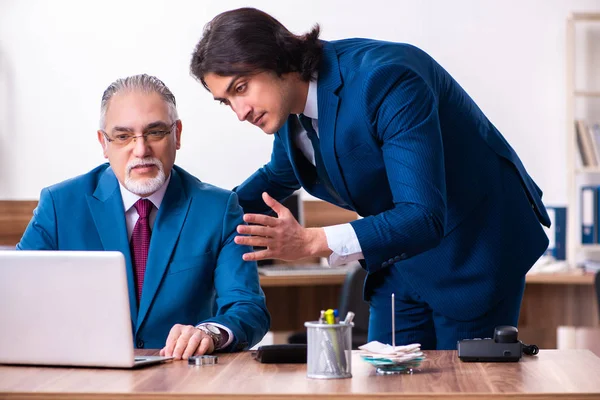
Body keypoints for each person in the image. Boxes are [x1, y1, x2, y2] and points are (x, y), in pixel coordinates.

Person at [189, 8, 551, 350]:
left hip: (470, 248)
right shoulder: (289, 110)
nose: (240, 113)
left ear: (278, 60)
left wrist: (314, 240)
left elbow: (423, 215)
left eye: (241, 88)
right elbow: (280, 175)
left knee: (461, 387)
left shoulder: (387, 79)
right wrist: (198, 218)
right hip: (400, 257)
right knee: (384, 381)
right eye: (226, 101)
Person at [17, 74, 270, 358]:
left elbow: (248, 309)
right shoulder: (60, 206)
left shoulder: (219, 209)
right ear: (104, 143)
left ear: (177, 135)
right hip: (83, 374)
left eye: (155, 132)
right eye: (123, 136)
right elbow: (14, 295)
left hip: (181, 378)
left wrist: (209, 333)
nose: (141, 150)